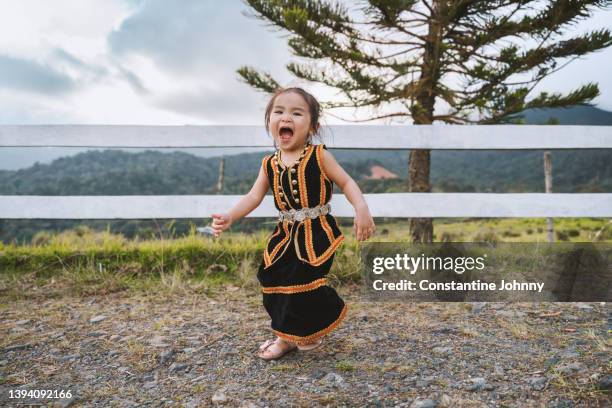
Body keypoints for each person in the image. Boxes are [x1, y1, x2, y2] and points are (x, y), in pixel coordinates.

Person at [211, 87, 375, 360]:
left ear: (312, 127)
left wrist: (361, 207)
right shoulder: (269, 164)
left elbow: (346, 181)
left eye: (297, 113)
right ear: (270, 123)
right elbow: (253, 196)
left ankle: (295, 333)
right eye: (279, 112)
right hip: (285, 234)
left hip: (316, 232)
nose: (286, 117)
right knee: (271, 277)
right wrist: (231, 216)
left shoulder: (319, 155)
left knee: (302, 280)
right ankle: (290, 335)